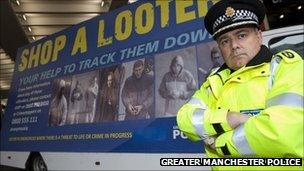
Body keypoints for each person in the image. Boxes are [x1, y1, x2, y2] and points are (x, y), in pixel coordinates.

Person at [177, 0, 303, 170]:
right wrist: (230, 119)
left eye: (242, 35)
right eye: (225, 41)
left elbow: (282, 133)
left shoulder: (286, 67)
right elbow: (185, 119)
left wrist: (221, 143)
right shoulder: (214, 81)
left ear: (259, 35)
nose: (234, 46)